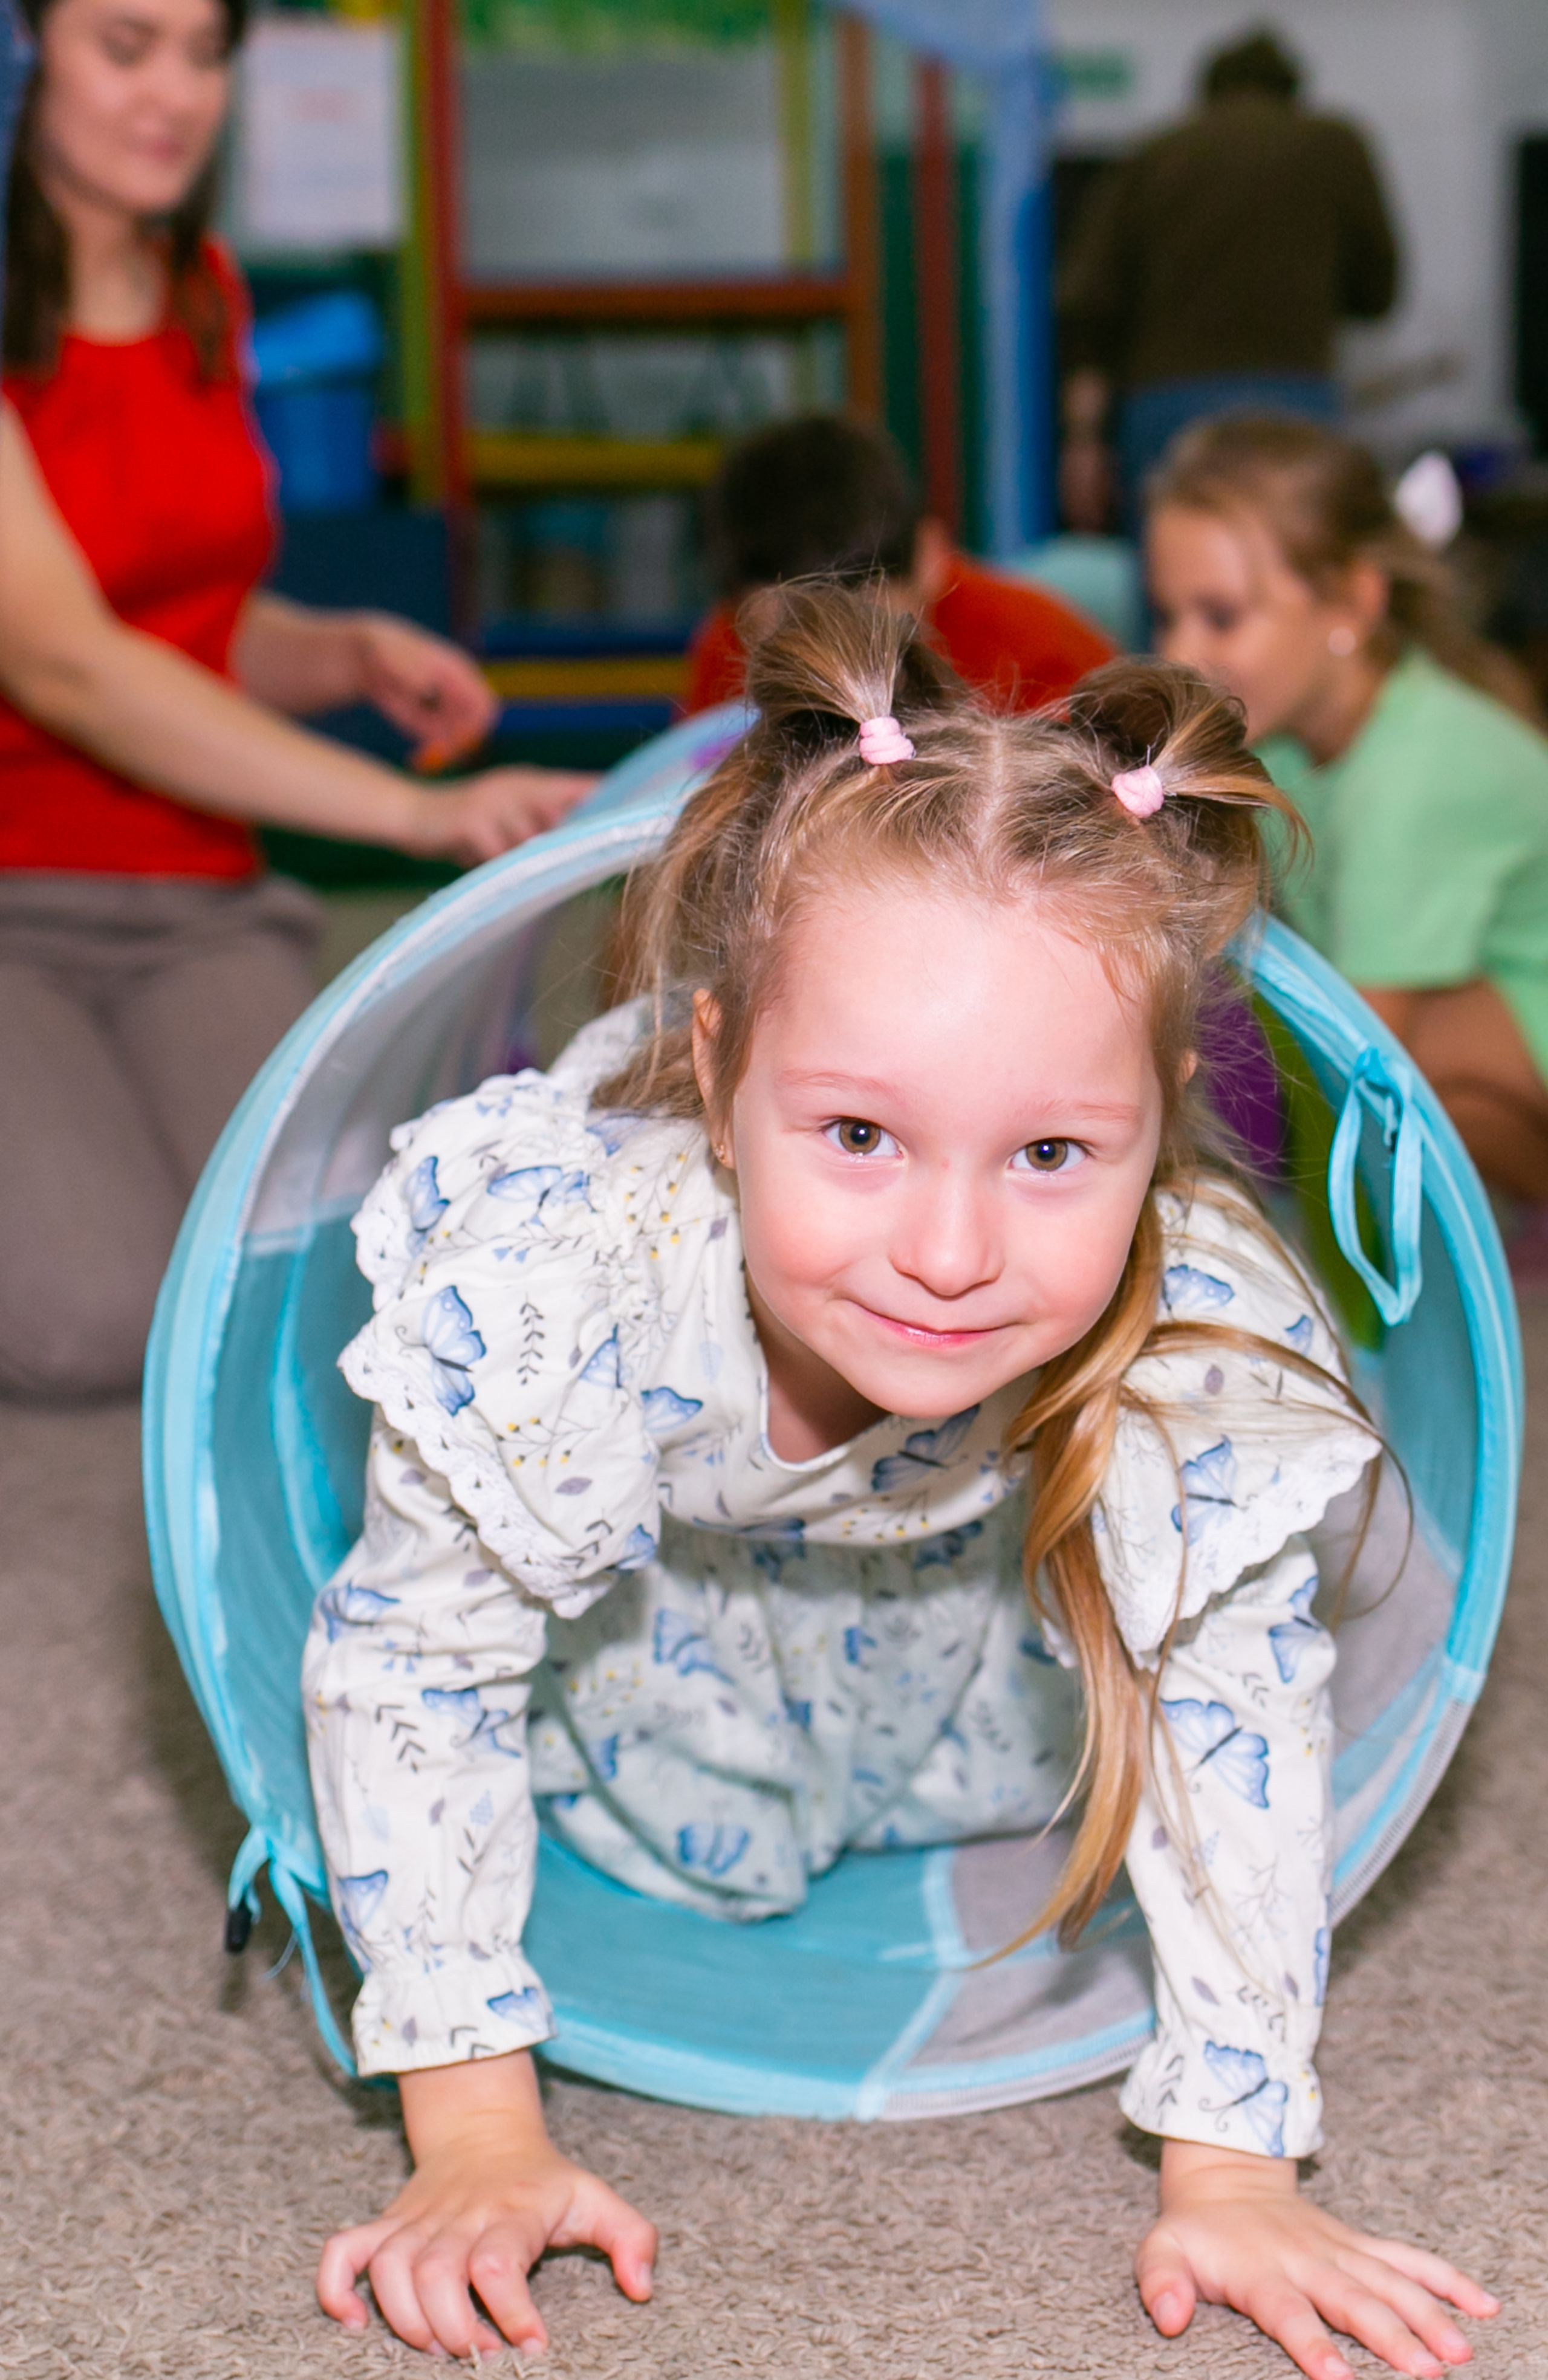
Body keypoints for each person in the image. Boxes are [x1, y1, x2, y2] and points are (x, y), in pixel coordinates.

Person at [302, 585, 1497, 2378]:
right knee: (539, 1693)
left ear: (1162, 1113)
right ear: (714, 1077)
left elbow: (1235, 1713)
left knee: (1153, 1619)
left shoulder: (1181, 1320)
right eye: (856, 1134)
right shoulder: (571, 1270)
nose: (946, 1248)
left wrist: (1237, 2169)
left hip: (955, 1659)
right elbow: (417, 1659)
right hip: (642, 1646)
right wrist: (477, 2130)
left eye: (1046, 1150)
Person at [0, 0, 591, 1399]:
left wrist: (337, 652)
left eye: (206, 55)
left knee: (331, 1271)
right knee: (94, 1317)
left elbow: (173, 613)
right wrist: (414, 810)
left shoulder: (199, 281)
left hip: (198, 897)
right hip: (13, 899)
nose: (178, 95)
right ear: (22, 61)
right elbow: (66, 659)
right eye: (127, 46)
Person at [1146, 413, 1548, 1203]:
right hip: (1498, 1021)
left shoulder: (1413, 771)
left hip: (1503, 1014)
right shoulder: (1291, 743)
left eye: (1221, 616)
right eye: (1168, 613)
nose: (1179, 653)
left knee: (1381, 1055)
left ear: (1350, 605)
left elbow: (1362, 1047)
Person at [1058, 29, 1398, 533]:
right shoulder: (1334, 146)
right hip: (1292, 397)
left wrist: (1083, 442)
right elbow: (1380, 292)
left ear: (1207, 93)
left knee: (1173, 583)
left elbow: (1089, 305)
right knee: (1298, 572)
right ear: (1291, 92)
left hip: (1166, 403)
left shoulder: (1155, 154)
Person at [681, 412, 1114, 716]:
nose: (839, 674)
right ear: (741, 618)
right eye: (792, 653)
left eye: (870, 639)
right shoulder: (727, 654)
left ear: (931, 556)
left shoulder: (1040, 660)